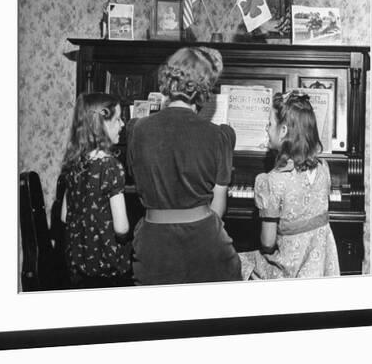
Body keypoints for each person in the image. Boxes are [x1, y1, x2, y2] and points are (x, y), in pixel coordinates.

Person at [126, 46, 242, 285]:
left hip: (153, 250)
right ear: (204, 87)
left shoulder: (137, 129)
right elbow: (217, 210)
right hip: (206, 248)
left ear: (169, 79)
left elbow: (137, 183)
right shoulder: (219, 136)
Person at [240, 90, 340, 280]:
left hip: (287, 272)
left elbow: (268, 243)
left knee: (238, 261)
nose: (266, 129)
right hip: (320, 271)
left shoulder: (272, 180)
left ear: (284, 131)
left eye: (270, 124)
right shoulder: (324, 168)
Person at [57, 92, 132, 288]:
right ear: (101, 125)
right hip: (107, 269)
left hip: (76, 266)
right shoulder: (111, 166)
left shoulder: (74, 163)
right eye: (117, 119)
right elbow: (121, 228)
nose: (123, 124)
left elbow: (65, 216)